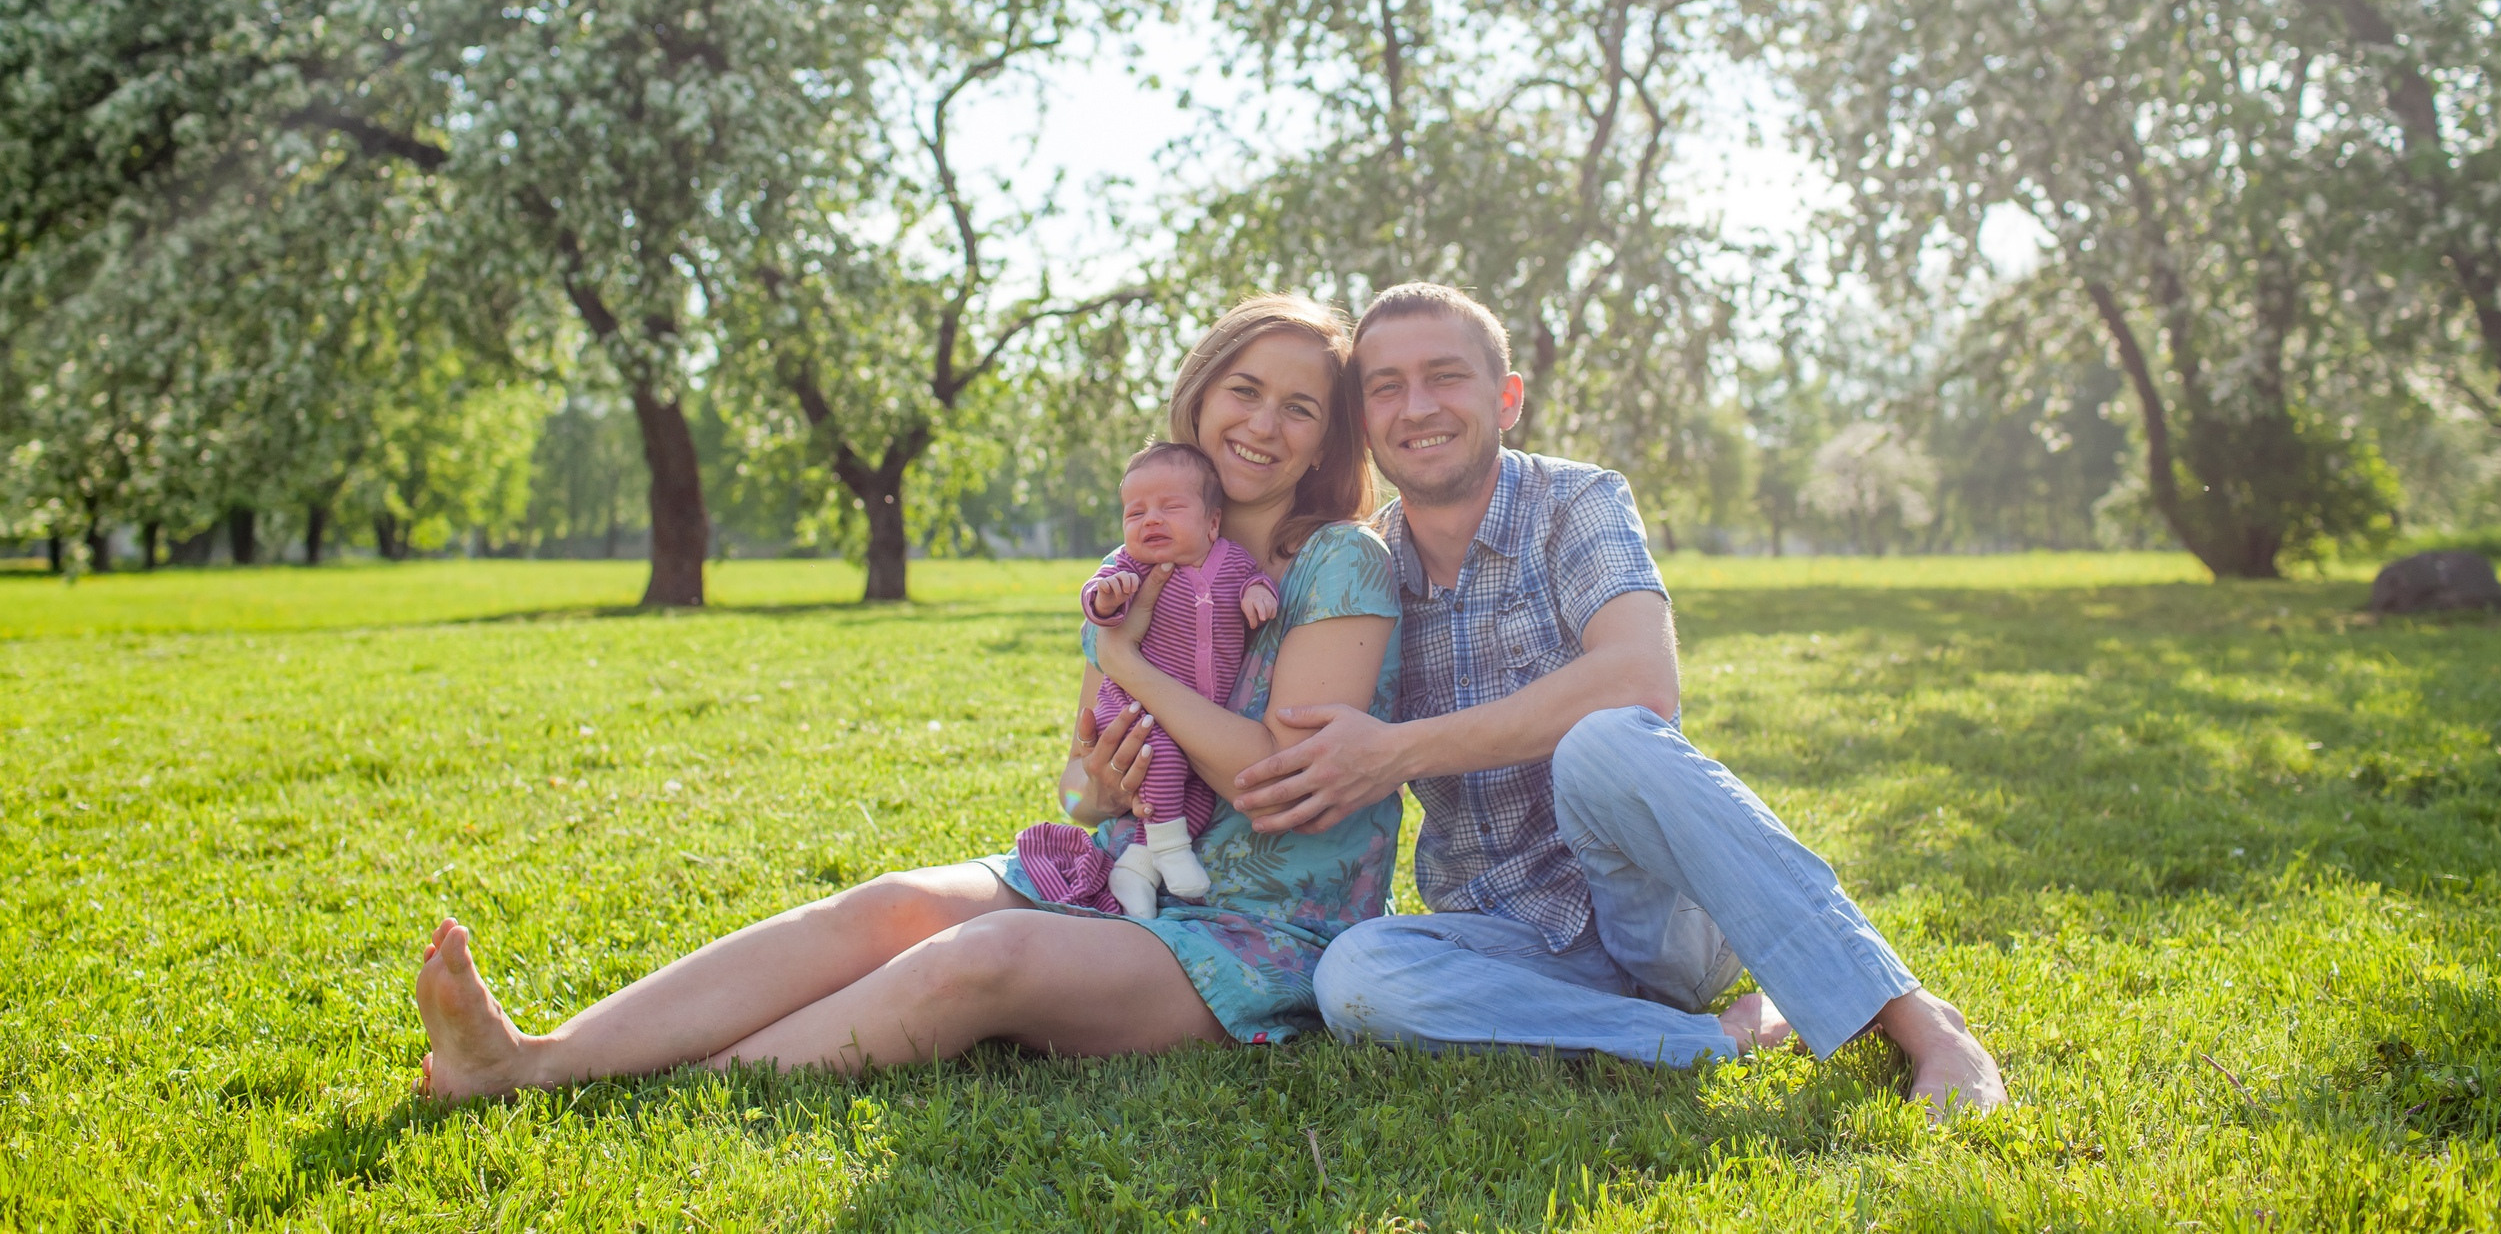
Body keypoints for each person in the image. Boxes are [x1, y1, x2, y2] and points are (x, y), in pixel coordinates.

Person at [410, 294, 1403, 1098]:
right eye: (1244, 390)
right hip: (1113, 873)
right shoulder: (1136, 560)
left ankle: (653, 1087)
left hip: (1259, 931)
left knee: (983, 959)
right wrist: (1093, 795)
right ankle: (533, 1056)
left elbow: (1276, 781)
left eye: (1299, 406)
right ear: (1198, 398)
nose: (1262, 423)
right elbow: (1073, 786)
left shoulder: (1338, 564)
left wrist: (1131, 663)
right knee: (885, 908)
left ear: (1326, 440)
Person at [1234, 282, 2008, 1116]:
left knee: (1603, 738)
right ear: (1364, 415)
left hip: (1659, 913)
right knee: (1353, 973)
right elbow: (1282, 734)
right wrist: (1131, 712)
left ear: (1507, 398)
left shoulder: (1579, 501)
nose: (1415, 406)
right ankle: (1714, 1040)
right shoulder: (1365, 566)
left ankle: (1921, 1021)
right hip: (1513, 932)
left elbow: (1641, 678)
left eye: (1444, 376)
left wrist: (1400, 749)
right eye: (1384, 385)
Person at [1021, 440, 1278, 916]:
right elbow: (1097, 595)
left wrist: (1257, 594)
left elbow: (1252, 580)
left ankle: (1137, 866)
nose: (1150, 520)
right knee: (1156, 756)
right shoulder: (1133, 567)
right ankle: (1172, 851)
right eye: (1134, 513)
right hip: (1135, 705)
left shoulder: (1232, 560)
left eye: (1170, 508)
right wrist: (1106, 599)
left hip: (1196, 716)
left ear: (1213, 522)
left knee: (1196, 794)